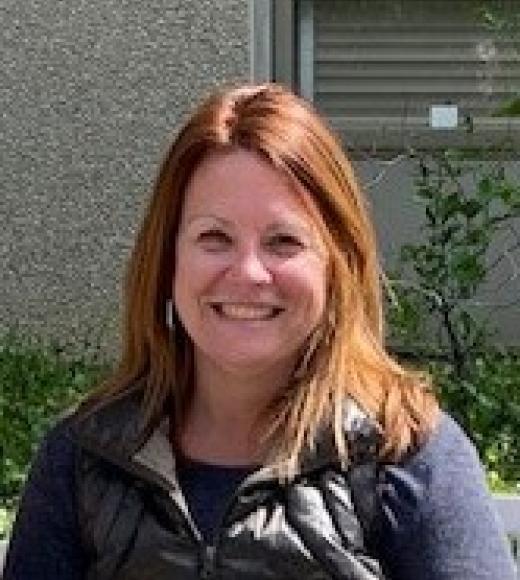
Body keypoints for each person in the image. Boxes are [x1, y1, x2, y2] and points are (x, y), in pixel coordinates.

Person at [4, 84, 516, 580]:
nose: (249, 272)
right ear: (167, 260)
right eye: (214, 238)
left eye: (283, 241)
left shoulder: (408, 458)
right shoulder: (84, 457)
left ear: (338, 265)